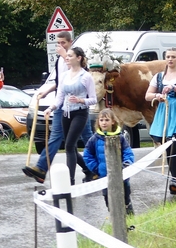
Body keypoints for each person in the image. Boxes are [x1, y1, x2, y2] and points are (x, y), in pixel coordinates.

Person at [23, 31, 94, 184]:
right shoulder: (59, 62)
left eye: (64, 43)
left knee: (87, 139)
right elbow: (60, 83)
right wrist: (47, 93)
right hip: (62, 105)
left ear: (70, 42)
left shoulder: (73, 58)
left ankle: (95, 169)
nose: (60, 46)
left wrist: (65, 55)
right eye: (58, 43)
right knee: (62, 140)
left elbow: (78, 77)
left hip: (80, 109)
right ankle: (42, 169)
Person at [39, 47, 95, 185]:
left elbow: (93, 99)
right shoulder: (64, 76)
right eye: (67, 56)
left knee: (69, 145)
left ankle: (69, 181)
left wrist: (80, 100)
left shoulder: (86, 76)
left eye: (70, 56)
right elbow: (60, 97)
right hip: (66, 113)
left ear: (79, 58)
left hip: (80, 113)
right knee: (71, 148)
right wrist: (50, 108)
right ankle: (90, 171)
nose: (67, 58)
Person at [145, 47, 176, 194]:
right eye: (168, 57)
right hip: (165, 112)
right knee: (168, 147)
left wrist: (173, 87)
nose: (170, 59)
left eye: (173, 56)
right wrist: (157, 96)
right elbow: (147, 95)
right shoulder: (159, 76)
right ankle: (174, 179)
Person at [83, 108, 135, 215]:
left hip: (122, 177)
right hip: (104, 177)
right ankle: (115, 220)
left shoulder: (120, 137)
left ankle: (130, 220)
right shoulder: (94, 139)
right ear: (98, 122)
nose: (104, 122)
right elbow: (87, 155)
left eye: (107, 120)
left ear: (113, 121)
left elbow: (128, 153)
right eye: (101, 120)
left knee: (126, 201)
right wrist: (96, 168)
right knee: (110, 203)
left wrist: (126, 164)